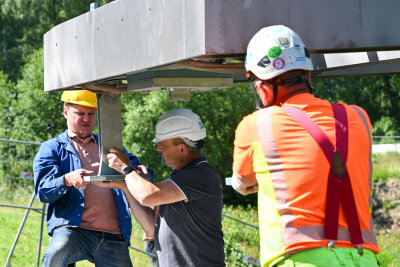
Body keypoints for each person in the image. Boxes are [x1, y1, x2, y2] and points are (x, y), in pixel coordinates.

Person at [231, 25, 379, 267]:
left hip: (300, 259)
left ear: (262, 87)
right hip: (364, 258)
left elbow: (242, 181)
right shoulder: (359, 117)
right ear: (308, 76)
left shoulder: (255, 125)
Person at [96, 108, 225, 267]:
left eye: (163, 144)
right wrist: (124, 185)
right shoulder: (179, 179)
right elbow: (151, 227)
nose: (158, 148)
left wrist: (126, 168)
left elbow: (146, 195)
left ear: (182, 148)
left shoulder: (200, 174)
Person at [33, 90, 149, 267]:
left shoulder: (110, 146)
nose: (86, 119)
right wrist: (67, 180)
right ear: (66, 112)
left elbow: (140, 173)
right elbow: (42, 190)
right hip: (74, 231)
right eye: (80, 113)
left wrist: (140, 171)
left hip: (113, 235)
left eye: (91, 114)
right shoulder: (52, 148)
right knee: (55, 257)